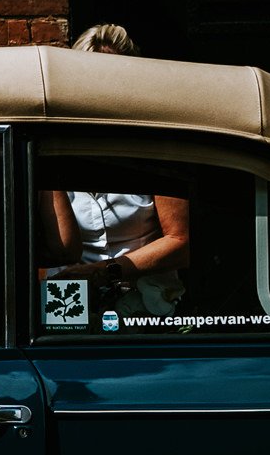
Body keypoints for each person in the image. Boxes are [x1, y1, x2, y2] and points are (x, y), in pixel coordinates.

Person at [46, 23, 190, 314]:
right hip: (69, 303)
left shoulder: (156, 148)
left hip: (146, 305)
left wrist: (105, 271)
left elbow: (180, 241)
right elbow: (42, 247)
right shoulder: (53, 148)